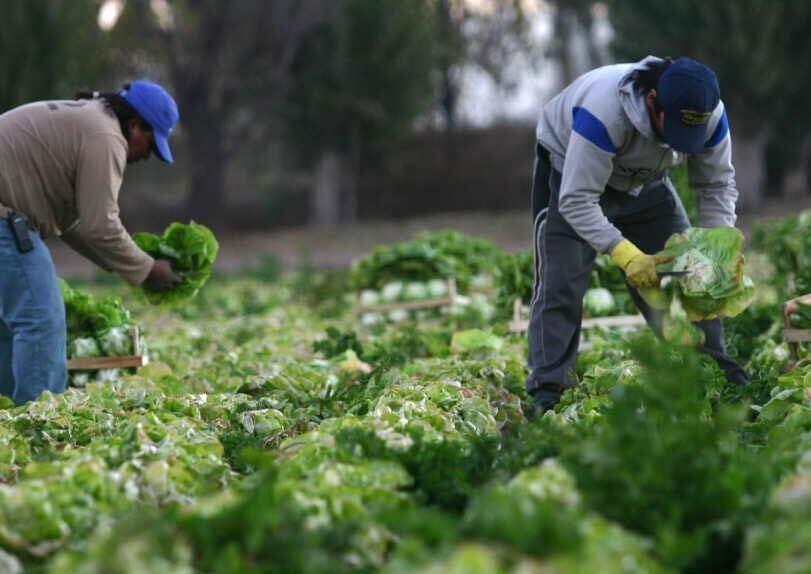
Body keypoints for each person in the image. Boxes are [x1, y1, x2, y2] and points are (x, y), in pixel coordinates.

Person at [527, 55, 749, 413]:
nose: (682, 143)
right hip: (569, 178)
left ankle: (712, 369)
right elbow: (577, 199)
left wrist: (717, 245)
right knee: (561, 284)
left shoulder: (710, 116)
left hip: (647, 185)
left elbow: (716, 184)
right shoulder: (603, 114)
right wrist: (624, 252)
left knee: (692, 282)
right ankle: (547, 387)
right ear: (652, 103)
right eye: (675, 130)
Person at [0, 80, 183, 404]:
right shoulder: (106, 136)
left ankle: (7, 420)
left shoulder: (91, 120)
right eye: (151, 146)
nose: (145, 156)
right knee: (41, 320)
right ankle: (36, 427)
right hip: (6, 219)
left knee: (9, 326)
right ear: (136, 125)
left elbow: (75, 225)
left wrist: (125, 264)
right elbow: (101, 224)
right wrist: (149, 269)